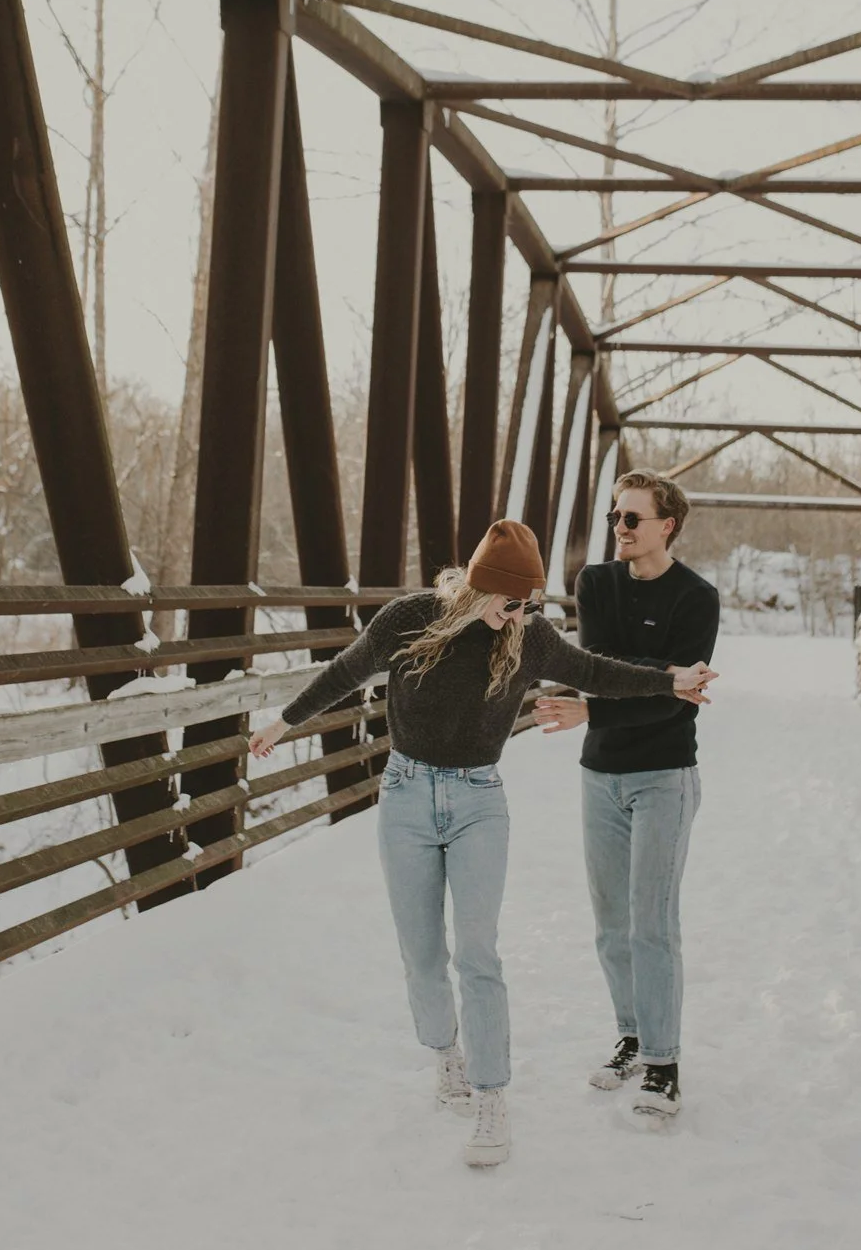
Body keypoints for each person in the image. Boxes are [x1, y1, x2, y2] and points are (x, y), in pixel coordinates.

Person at [249, 519, 713, 1169]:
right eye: (511, 601)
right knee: (421, 956)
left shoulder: (528, 636)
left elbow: (595, 672)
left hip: (477, 802)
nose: (520, 614)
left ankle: (492, 1098)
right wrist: (282, 722)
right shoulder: (409, 619)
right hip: (405, 796)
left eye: (529, 603)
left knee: (477, 955)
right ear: (478, 586)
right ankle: (447, 1057)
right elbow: (346, 671)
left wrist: (669, 679)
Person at [535, 471, 719, 1122]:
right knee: (612, 925)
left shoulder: (696, 597)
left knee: (652, 923)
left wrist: (600, 704)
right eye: (616, 515)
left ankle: (664, 1063)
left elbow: (672, 708)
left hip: (664, 776)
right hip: (600, 776)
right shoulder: (596, 582)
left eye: (633, 518)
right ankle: (632, 1037)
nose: (620, 527)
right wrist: (665, 675)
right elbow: (594, 668)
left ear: (667, 525)